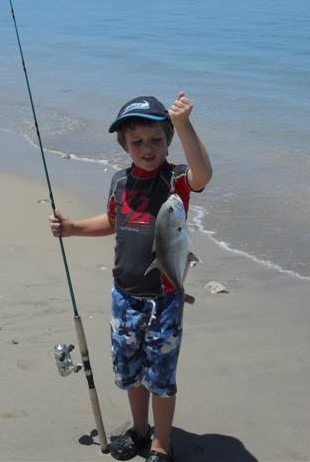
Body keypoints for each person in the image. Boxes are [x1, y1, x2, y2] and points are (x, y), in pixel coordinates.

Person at [49, 91, 212, 462]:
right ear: (124, 145)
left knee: (161, 377)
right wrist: (73, 227)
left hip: (166, 298)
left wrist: (183, 124)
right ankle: (140, 430)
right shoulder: (120, 183)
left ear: (168, 140)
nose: (147, 148)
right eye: (137, 141)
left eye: (156, 139)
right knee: (132, 370)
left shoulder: (176, 183)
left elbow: (203, 174)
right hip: (124, 296)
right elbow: (111, 221)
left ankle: (161, 444)